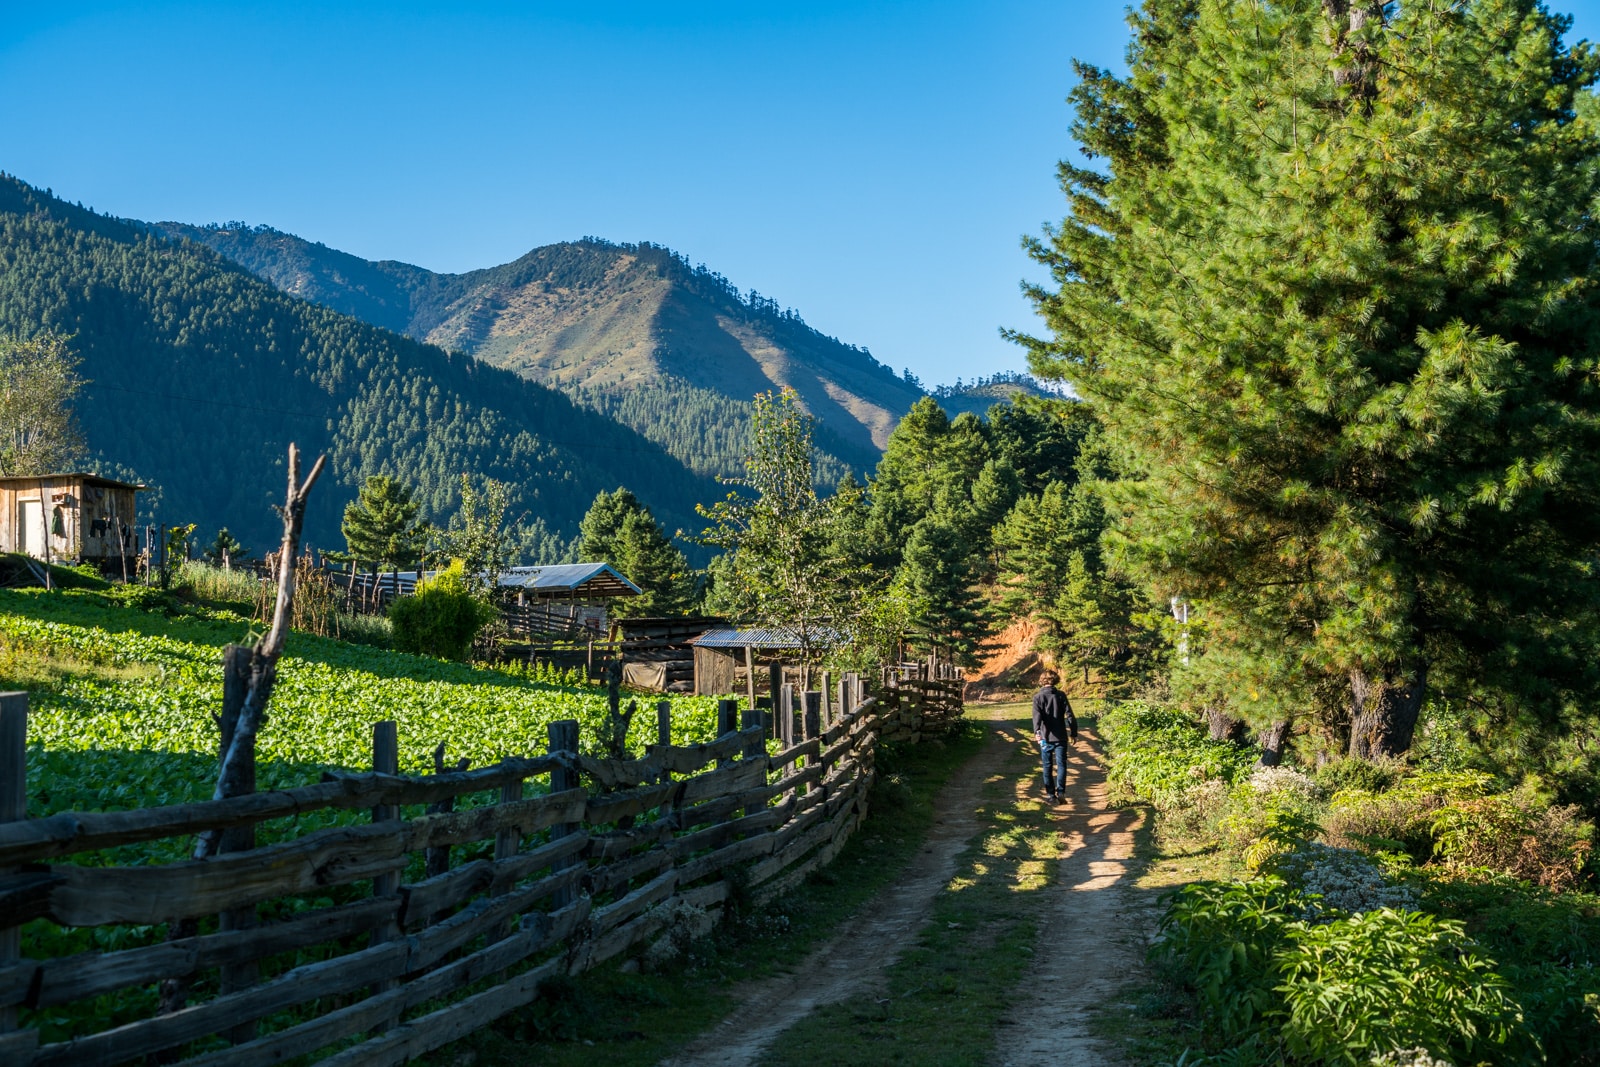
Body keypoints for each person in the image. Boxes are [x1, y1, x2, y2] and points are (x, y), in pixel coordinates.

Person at [1032, 669, 1077, 803]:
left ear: (1042, 681)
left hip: (1045, 737)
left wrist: (1037, 733)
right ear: (1055, 680)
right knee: (1062, 764)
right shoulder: (1061, 695)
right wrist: (1073, 733)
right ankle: (1061, 791)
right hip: (1061, 737)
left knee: (1047, 766)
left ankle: (1051, 795)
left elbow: (1037, 718)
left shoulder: (1037, 698)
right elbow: (1069, 715)